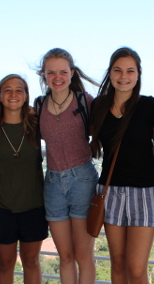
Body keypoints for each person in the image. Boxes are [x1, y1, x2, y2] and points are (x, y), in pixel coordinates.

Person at [90, 47, 154, 284]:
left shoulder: (150, 106)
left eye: (130, 70)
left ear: (139, 74)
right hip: (111, 191)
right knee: (118, 264)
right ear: (110, 73)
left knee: (136, 268)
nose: (124, 76)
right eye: (118, 70)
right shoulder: (98, 106)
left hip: (144, 190)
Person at [34, 48, 99, 284]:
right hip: (52, 183)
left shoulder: (85, 102)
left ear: (71, 73)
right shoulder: (39, 105)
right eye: (51, 73)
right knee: (65, 256)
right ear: (44, 75)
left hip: (83, 179)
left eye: (63, 72)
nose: (57, 77)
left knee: (84, 255)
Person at [0, 74, 48, 284]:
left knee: (31, 262)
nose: (13, 94)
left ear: (26, 96)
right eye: (8, 90)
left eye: (19, 90)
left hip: (34, 206)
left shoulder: (37, 124)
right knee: (5, 263)